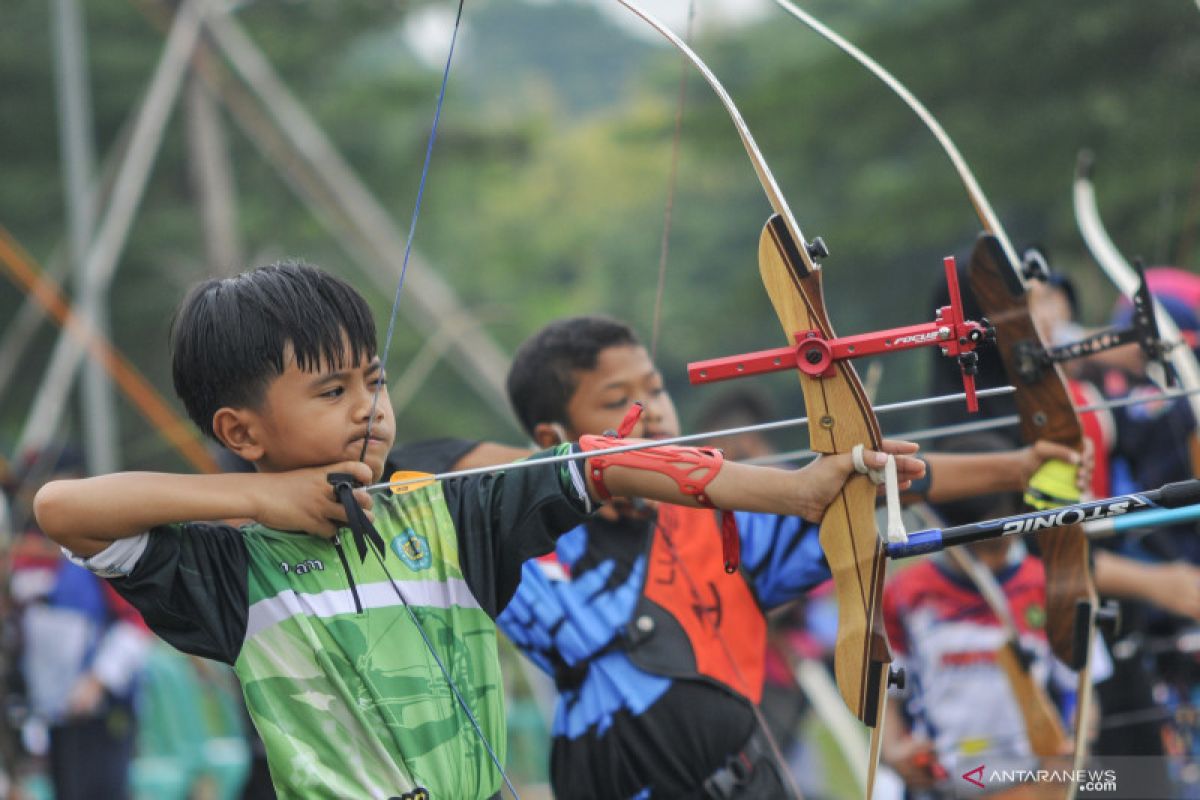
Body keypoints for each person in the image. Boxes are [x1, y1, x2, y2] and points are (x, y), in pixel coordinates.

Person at [32, 262, 924, 800]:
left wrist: (797, 491)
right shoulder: (228, 571)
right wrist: (260, 502)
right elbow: (62, 509)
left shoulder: (448, 511)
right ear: (240, 432)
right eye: (331, 392)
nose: (370, 410)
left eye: (373, 382)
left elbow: (603, 464)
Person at [488, 315, 1085, 800]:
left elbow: (876, 484)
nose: (654, 411)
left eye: (655, 388)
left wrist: (1022, 467)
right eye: (619, 400)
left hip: (744, 779)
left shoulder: (725, 518)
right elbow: (430, 472)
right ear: (551, 440)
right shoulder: (525, 548)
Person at [880, 434, 1115, 796]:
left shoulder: (1052, 586)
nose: (990, 562)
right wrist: (895, 750)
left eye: (998, 541)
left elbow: (1082, 694)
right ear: (941, 527)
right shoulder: (904, 593)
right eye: (978, 546)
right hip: (942, 782)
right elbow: (892, 690)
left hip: (1030, 781)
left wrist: (1074, 744)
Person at [7, 446, 152, 800]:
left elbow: (136, 624)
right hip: (47, 714)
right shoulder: (21, 557)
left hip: (98, 713)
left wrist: (97, 682)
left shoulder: (101, 546)